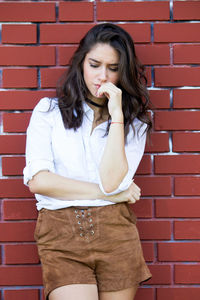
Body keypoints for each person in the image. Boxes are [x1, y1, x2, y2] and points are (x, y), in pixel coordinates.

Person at [23, 23, 152, 300]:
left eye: (113, 68)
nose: (102, 76)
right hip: (61, 232)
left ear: (123, 72)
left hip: (117, 233)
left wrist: (117, 114)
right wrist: (115, 194)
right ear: (81, 62)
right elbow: (39, 181)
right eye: (95, 64)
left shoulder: (135, 124)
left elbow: (110, 180)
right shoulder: (49, 112)